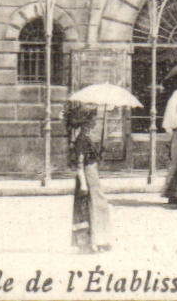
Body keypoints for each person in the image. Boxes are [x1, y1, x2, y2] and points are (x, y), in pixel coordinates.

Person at [64, 102, 112, 253]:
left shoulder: (87, 138)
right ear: (86, 121)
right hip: (87, 177)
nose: (95, 121)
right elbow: (79, 164)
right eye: (93, 119)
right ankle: (91, 242)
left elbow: (91, 159)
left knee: (98, 207)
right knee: (91, 208)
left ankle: (99, 240)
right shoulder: (82, 140)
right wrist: (84, 185)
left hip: (93, 175)